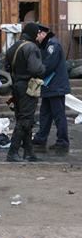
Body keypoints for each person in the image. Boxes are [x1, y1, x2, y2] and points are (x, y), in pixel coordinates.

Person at [5, 22, 45, 162]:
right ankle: (13, 152)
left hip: (16, 86)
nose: (39, 35)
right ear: (33, 33)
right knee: (25, 119)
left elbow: (6, 66)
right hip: (28, 87)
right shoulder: (31, 47)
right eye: (38, 32)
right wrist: (43, 69)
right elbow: (35, 69)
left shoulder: (13, 47)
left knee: (24, 118)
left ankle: (28, 152)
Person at [32, 24, 70, 154]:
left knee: (59, 115)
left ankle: (63, 142)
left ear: (42, 33)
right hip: (50, 87)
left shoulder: (52, 45)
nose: (36, 39)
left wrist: (36, 72)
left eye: (37, 35)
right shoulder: (47, 45)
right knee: (45, 114)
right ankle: (41, 138)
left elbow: (49, 65)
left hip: (55, 86)